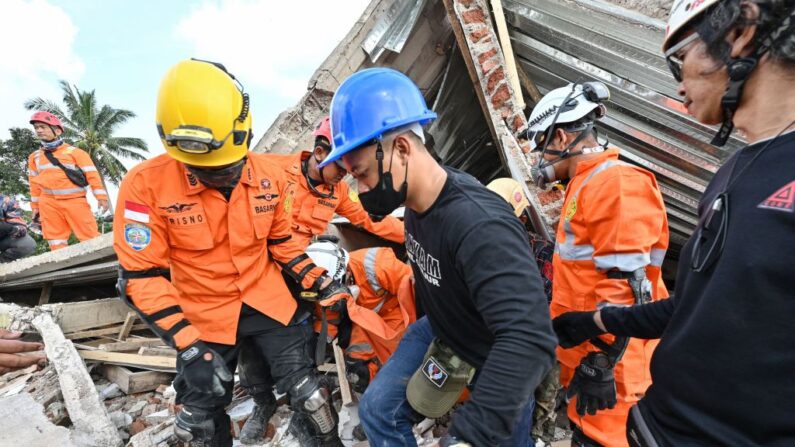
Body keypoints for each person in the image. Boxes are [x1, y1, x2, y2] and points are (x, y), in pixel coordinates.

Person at [552, 1, 795, 445]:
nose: (679, 84)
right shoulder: (735, 171)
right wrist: (599, 322)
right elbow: (692, 307)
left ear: (740, 33)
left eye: (681, 59)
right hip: (655, 427)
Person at [113, 59, 347, 447]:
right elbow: (141, 277)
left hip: (267, 300)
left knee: (312, 398)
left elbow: (281, 242)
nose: (221, 176)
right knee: (197, 424)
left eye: (228, 166)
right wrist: (188, 347)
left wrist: (319, 281)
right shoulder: (144, 187)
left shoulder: (272, 177)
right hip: (202, 313)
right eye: (204, 170)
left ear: (246, 134)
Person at [319, 67, 557, 446]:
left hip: (496, 353)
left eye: (362, 174)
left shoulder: (478, 225)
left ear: (401, 148)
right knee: (379, 412)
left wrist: (469, 435)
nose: (361, 188)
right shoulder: (416, 206)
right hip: (443, 330)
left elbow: (529, 339)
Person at [237, 116, 405, 444]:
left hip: (302, 278)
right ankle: (262, 404)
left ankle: (310, 415)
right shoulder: (272, 171)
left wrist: (413, 233)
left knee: (301, 349)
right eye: (339, 167)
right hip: (260, 277)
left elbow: (370, 220)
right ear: (318, 152)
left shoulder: (338, 191)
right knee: (249, 345)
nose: (344, 175)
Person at [526, 81, 670, 447]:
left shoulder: (616, 183)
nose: (538, 158)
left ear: (560, 137)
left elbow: (628, 288)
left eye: (541, 145)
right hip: (591, 364)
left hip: (616, 373)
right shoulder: (585, 185)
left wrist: (602, 360)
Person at [486, 178, 559, 447]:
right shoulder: (480, 250)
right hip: (498, 341)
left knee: (538, 399)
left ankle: (537, 435)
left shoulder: (542, 252)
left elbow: (546, 300)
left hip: (536, 339)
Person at [27, 111, 108, 250]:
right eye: (36, 128)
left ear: (57, 130)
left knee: (89, 235)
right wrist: (35, 207)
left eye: (43, 127)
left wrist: (101, 197)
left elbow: (92, 175)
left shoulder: (76, 153)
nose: (39, 130)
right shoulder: (34, 157)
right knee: (55, 239)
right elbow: (34, 185)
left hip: (75, 200)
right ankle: (63, 266)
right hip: (48, 202)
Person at [0, 194, 36, 263]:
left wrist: (18, 228)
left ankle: (2, 263)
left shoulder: (4, 200)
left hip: (3, 237)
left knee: (27, 244)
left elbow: (15, 217)